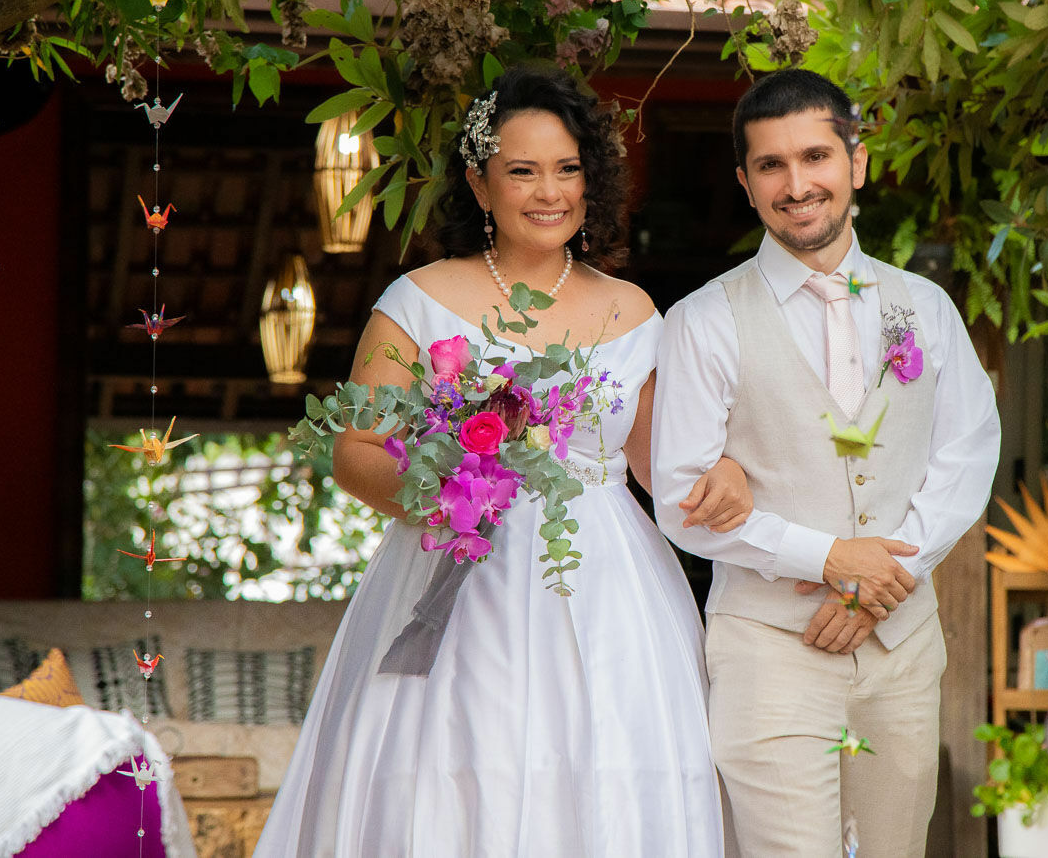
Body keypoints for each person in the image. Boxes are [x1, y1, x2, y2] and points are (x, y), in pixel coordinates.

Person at [256, 66, 747, 857]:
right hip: (452, 573)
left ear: (592, 182)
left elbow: (664, 466)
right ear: (482, 186)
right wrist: (438, 488)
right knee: (457, 775)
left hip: (608, 585)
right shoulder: (417, 298)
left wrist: (727, 475)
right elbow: (353, 452)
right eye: (522, 171)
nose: (548, 191)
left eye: (567, 169)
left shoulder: (634, 310)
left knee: (602, 776)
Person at [652, 68, 1001, 858]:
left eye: (816, 156)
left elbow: (968, 448)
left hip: (903, 644)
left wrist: (882, 584)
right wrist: (831, 558)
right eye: (771, 165)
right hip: (771, 647)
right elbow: (681, 498)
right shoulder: (703, 321)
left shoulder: (927, 307)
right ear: (745, 183)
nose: (798, 183)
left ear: (857, 162)